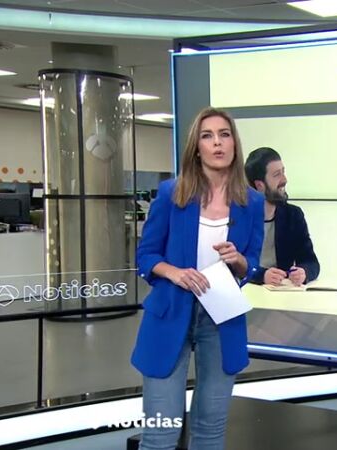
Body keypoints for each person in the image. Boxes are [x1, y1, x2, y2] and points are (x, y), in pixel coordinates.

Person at [131, 107, 264, 449]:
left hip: (221, 319)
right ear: (197, 148)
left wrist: (239, 261)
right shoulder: (171, 194)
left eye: (224, 135)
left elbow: (252, 264)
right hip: (170, 313)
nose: (217, 143)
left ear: (234, 144)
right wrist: (174, 273)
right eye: (208, 136)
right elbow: (145, 256)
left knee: (210, 430)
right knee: (161, 433)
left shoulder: (251, 202)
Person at [244, 147, 320, 286]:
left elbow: (311, 262)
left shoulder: (293, 215)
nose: (284, 180)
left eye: (283, 172)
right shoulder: (240, 217)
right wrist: (261, 275)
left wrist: (304, 272)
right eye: (277, 175)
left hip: (281, 292)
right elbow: (234, 265)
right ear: (260, 185)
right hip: (248, 290)